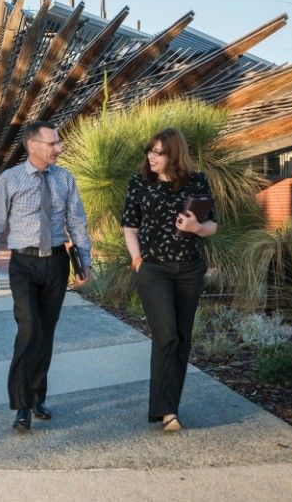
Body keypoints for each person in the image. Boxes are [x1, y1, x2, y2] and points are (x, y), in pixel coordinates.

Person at [0, 120, 91, 433]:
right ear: (33, 146)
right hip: (23, 264)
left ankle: (38, 395)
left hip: (56, 262)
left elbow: (77, 223)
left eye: (58, 143)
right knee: (29, 328)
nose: (59, 148)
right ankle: (22, 405)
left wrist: (85, 262)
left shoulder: (64, 179)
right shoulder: (10, 179)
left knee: (46, 333)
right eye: (52, 143)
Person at [120, 128, 218, 432]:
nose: (151, 156)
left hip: (190, 270)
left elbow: (212, 224)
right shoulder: (139, 183)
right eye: (149, 151)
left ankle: (171, 410)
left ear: (173, 154)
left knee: (182, 338)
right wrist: (137, 262)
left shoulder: (197, 181)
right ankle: (164, 411)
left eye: (158, 152)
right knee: (166, 335)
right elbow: (129, 226)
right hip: (154, 270)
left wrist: (196, 228)